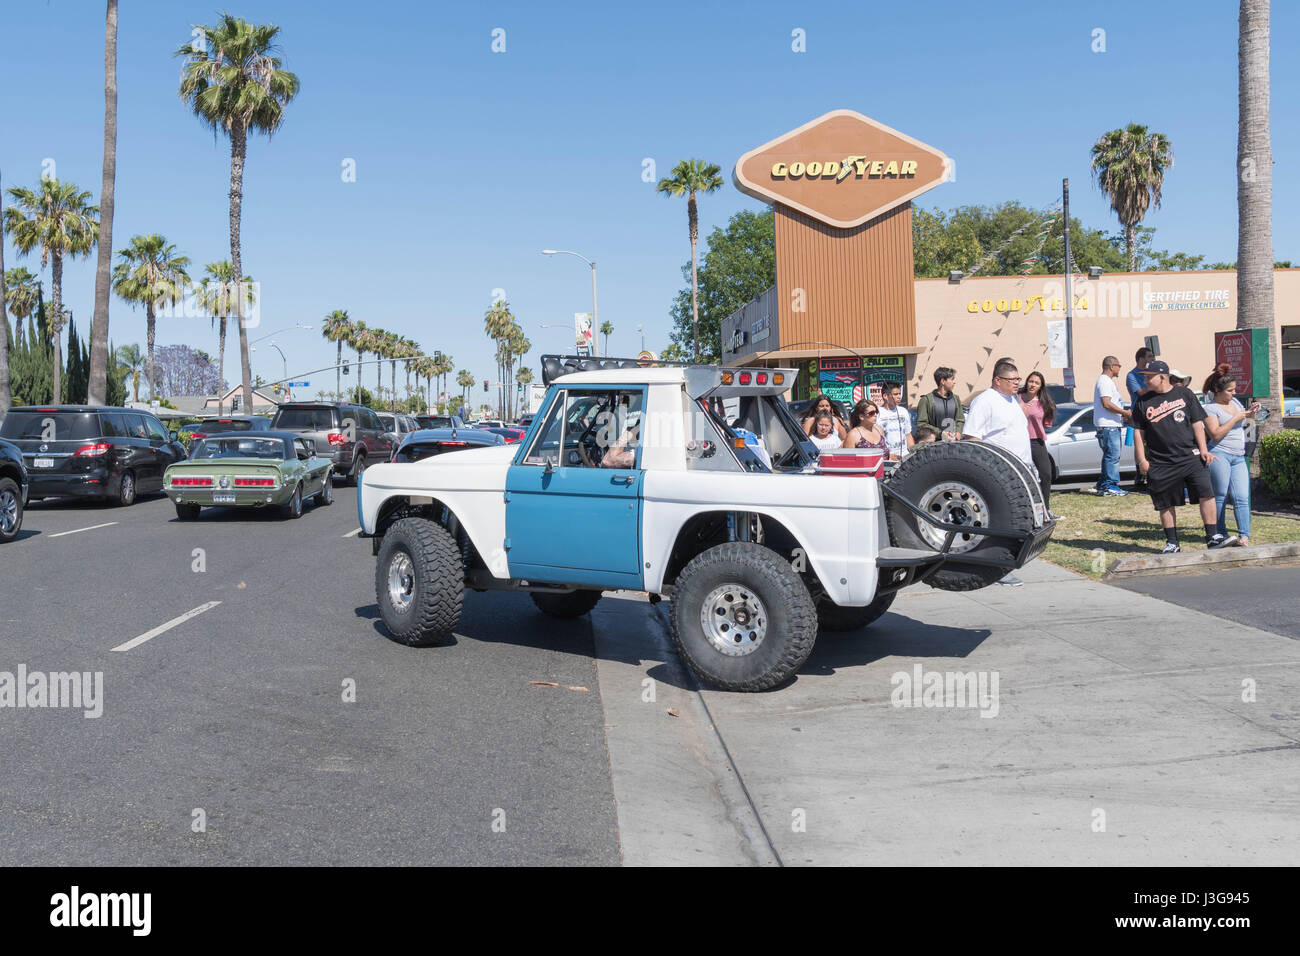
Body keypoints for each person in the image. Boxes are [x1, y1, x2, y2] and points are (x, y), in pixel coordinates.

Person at [1131, 360, 1230, 553]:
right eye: (1144, 376)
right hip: (1160, 461)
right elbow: (1138, 432)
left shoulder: (1184, 394)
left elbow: (1197, 424)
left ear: (1162, 377)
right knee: (1165, 503)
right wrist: (1142, 460)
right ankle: (1172, 543)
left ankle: (1212, 536)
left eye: (1149, 376)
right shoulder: (1143, 401)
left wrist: (1203, 449)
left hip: (1190, 456)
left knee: (1206, 493)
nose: (1145, 380)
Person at [963, 359, 1037, 586]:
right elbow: (972, 438)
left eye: (1018, 379)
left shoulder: (1013, 399)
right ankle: (997, 568)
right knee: (1003, 523)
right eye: (1012, 380)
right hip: (999, 472)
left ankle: (1007, 563)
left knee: (1022, 522)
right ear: (997, 380)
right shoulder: (985, 401)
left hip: (1021, 468)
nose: (1018, 383)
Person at [1203, 372, 1260, 547]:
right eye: (1230, 390)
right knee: (1220, 495)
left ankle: (1244, 535)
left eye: (1234, 390)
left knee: (1241, 496)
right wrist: (1235, 417)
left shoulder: (1235, 403)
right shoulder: (1210, 409)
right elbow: (1215, 434)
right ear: (1217, 390)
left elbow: (1248, 421)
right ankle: (1220, 533)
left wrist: (1252, 412)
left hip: (1238, 455)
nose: (1234, 393)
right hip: (1220, 453)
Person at [1019, 371, 1061, 520]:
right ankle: (1024, 510)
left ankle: (1045, 510)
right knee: (1022, 476)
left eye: (1036, 383)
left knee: (1046, 474)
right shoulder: (1016, 398)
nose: (1032, 384)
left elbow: (1047, 423)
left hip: (1036, 441)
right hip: (1018, 441)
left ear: (1040, 386)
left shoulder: (1044, 403)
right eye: (1031, 381)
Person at [1093, 356, 1132, 496]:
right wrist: (1125, 413)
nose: (1119, 368)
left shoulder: (1105, 381)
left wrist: (1121, 416)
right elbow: (1106, 403)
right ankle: (1110, 485)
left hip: (1110, 425)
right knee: (1113, 456)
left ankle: (1103, 485)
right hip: (1108, 426)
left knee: (1109, 456)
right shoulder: (1105, 381)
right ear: (1112, 366)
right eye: (1119, 365)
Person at [915, 367, 964, 442]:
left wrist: (958, 432)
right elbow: (922, 424)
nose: (954, 382)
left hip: (954, 444)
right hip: (935, 445)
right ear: (943, 381)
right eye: (952, 379)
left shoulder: (956, 399)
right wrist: (941, 433)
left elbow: (960, 419)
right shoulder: (926, 400)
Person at [877, 382, 913, 460]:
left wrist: (912, 452)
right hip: (888, 456)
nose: (899, 397)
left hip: (904, 454)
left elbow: (908, 434)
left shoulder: (903, 411)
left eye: (899, 394)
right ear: (885, 396)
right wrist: (888, 455)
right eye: (895, 394)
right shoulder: (877, 413)